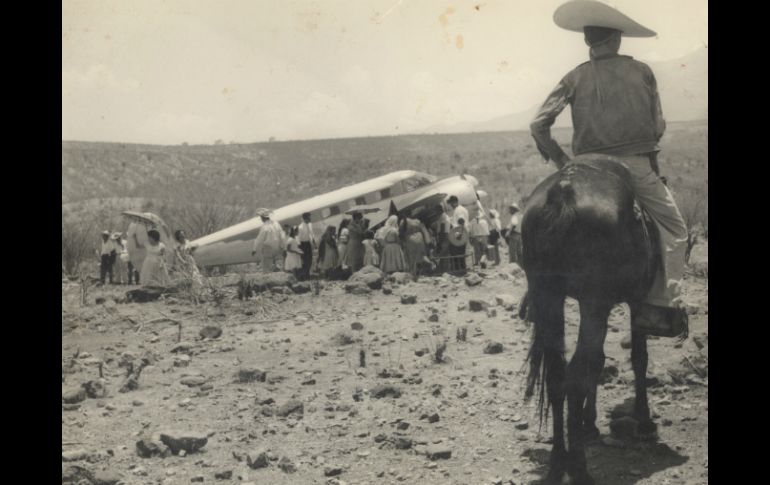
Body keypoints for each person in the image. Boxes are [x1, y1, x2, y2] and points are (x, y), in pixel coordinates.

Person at [529, 0, 688, 328]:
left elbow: (538, 124)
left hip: (585, 166)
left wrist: (562, 160)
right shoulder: (642, 71)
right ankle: (659, 304)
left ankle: (535, 294)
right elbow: (657, 127)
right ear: (616, 40)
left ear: (588, 43)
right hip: (634, 166)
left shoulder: (574, 76)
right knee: (675, 228)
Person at [251, 208, 287, 273]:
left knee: (266, 268)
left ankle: (268, 278)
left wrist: (254, 249)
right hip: (276, 248)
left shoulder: (265, 227)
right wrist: (284, 248)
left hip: (268, 249)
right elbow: (282, 236)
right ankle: (274, 269)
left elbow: (259, 239)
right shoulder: (276, 224)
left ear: (263, 218)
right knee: (271, 264)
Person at [297, 212, 317, 280]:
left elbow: (312, 234)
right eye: (309, 217)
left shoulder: (309, 225)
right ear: (305, 218)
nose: (310, 219)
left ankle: (307, 274)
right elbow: (298, 239)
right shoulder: (300, 227)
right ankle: (304, 275)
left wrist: (314, 243)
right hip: (303, 245)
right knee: (304, 260)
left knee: (310, 260)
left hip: (308, 244)